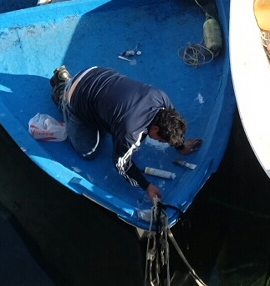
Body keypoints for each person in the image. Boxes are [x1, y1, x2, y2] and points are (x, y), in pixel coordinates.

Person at [50, 65, 202, 202]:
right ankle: (61, 89)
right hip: (77, 95)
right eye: (161, 140)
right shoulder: (131, 132)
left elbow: (173, 122)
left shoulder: (161, 98)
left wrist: (181, 146)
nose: (161, 142)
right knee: (89, 152)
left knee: (109, 125)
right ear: (155, 129)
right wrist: (146, 186)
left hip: (97, 73)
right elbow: (120, 163)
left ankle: (69, 85)